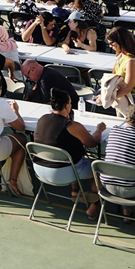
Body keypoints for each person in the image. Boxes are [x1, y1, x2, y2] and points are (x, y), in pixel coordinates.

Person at [33, 88, 104, 218]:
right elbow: (92, 143)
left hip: (38, 169)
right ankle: (93, 207)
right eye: (70, 103)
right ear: (67, 106)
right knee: (100, 168)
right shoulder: (72, 126)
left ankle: (75, 192)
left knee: (69, 154)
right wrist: (99, 130)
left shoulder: (42, 119)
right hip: (62, 173)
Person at [106, 26, 135, 115]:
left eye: (112, 43)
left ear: (120, 41)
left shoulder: (131, 60)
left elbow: (127, 88)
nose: (110, 46)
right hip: (126, 99)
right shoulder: (121, 56)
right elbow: (113, 76)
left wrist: (107, 98)